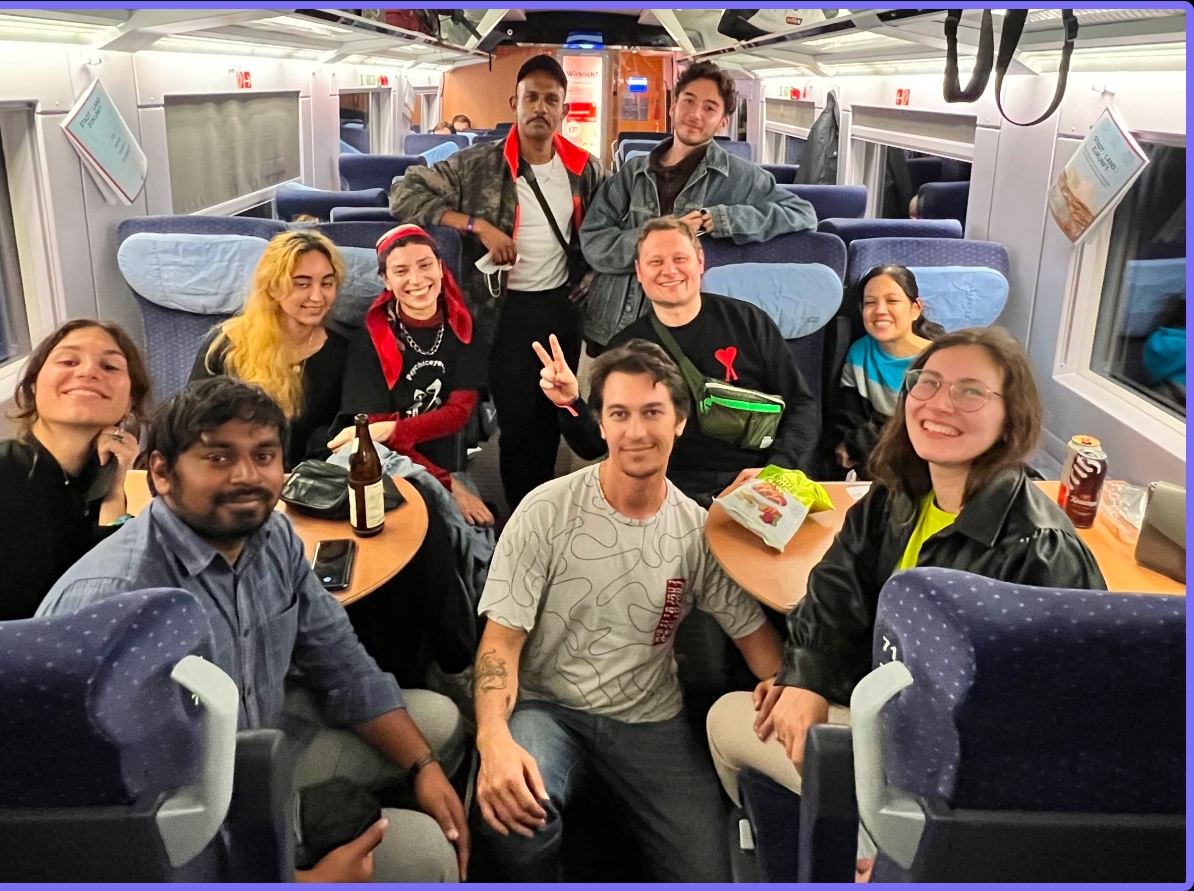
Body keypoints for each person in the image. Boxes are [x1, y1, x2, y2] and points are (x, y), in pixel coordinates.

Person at [37, 377, 471, 883]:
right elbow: (90, 823)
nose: (247, 475)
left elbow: (341, 661)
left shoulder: (273, 536)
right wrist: (300, 882)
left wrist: (422, 767)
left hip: (257, 747)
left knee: (439, 725)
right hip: (179, 822)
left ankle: (320, 822)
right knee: (423, 854)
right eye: (218, 457)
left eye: (264, 456)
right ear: (160, 473)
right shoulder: (112, 601)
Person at [706, 328, 1107, 865]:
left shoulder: (1042, 550)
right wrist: (804, 679)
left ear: (1012, 416)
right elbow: (833, 592)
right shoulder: (896, 494)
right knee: (754, 710)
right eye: (928, 383)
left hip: (948, 776)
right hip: (885, 712)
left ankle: (866, 845)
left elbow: (1051, 723)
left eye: (970, 391)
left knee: (727, 724)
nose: (940, 404)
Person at [471, 340, 784, 882]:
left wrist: (786, 684)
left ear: (680, 422)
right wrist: (493, 739)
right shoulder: (545, 509)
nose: (636, 432)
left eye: (652, 412)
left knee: (711, 872)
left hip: (649, 718)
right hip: (549, 708)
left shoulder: (696, 530)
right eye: (619, 414)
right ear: (602, 424)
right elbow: (500, 642)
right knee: (512, 816)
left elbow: (755, 638)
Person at [391, 54, 605, 510]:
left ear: (564, 111)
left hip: (561, 308)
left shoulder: (585, 168)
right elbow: (403, 194)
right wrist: (476, 226)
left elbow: (608, 231)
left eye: (552, 100)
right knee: (517, 419)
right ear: (515, 102)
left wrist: (593, 277)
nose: (540, 108)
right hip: (501, 312)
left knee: (555, 414)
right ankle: (520, 514)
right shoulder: (477, 165)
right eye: (532, 97)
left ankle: (544, 506)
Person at [538, 216, 819, 506]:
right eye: (655, 262)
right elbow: (593, 444)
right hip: (667, 490)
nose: (669, 270)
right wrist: (569, 402)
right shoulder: (625, 349)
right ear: (639, 272)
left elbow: (802, 405)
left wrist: (775, 472)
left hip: (758, 478)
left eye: (679, 258)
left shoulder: (748, 322)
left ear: (700, 262)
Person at [579, 61, 817, 350]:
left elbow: (802, 213)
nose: (695, 114)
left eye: (709, 108)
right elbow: (593, 241)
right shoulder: (633, 173)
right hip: (614, 325)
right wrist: (656, 244)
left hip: (686, 332)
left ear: (723, 121)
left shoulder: (739, 177)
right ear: (673, 106)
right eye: (688, 101)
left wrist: (724, 219)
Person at [0, 320, 151, 622]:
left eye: (110, 367)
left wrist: (115, 489)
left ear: (130, 401)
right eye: (69, 361)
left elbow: (106, 605)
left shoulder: (121, 493)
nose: (88, 372)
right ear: (32, 386)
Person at [327, 224, 492, 526]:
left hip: (444, 457)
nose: (416, 280)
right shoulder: (369, 340)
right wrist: (448, 485)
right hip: (387, 462)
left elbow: (458, 413)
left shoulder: (465, 328)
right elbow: (375, 436)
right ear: (385, 280)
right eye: (401, 271)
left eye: (425, 265)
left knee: (470, 539)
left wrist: (391, 430)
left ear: (441, 269)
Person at [190, 228, 347, 468]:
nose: (317, 296)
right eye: (302, 284)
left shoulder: (344, 350)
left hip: (313, 485)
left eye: (327, 283)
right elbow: (192, 427)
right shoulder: (226, 346)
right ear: (273, 287)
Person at [830, 265, 945, 480]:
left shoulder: (943, 360)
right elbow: (849, 422)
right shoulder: (859, 353)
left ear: (915, 309)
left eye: (892, 301)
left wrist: (861, 442)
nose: (880, 310)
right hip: (882, 471)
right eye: (870, 303)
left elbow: (933, 433)